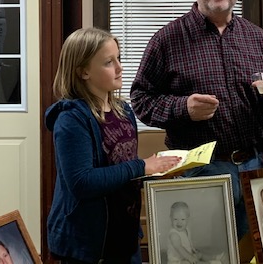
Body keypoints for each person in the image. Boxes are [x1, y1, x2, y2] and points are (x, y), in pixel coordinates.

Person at [131, 0, 263, 240]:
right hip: (199, 171)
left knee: (256, 252)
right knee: (206, 252)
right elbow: (140, 100)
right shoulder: (167, 40)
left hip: (255, 169)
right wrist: (183, 108)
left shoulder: (258, 39)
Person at [45, 28, 180, 264]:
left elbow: (121, 171)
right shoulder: (71, 119)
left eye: (118, 58)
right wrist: (142, 166)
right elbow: (82, 183)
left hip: (125, 237)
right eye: (109, 62)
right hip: (87, 246)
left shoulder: (124, 111)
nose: (120, 67)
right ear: (83, 71)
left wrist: (157, 172)